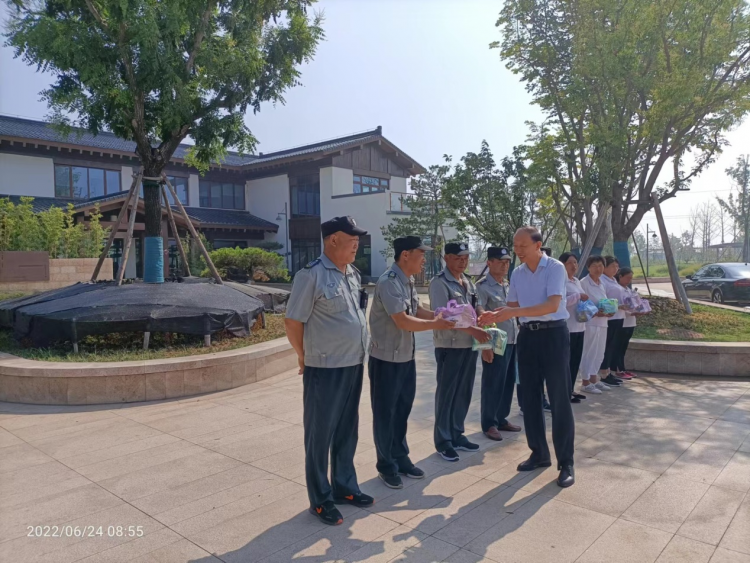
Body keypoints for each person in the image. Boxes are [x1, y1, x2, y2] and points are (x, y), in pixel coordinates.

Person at [285, 216, 374, 526]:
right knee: (319, 435)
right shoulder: (310, 276)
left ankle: (344, 487)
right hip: (324, 368)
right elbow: (293, 321)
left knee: (347, 430)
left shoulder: (352, 274)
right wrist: (303, 356)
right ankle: (321, 499)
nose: (357, 244)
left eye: (358, 239)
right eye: (352, 239)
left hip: (353, 363)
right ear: (333, 240)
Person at [479, 227, 575, 488]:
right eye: (515, 245)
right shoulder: (518, 273)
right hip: (527, 337)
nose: (518, 250)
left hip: (554, 335)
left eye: (522, 245)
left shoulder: (554, 268)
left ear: (538, 245)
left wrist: (513, 312)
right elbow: (512, 305)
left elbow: (552, 305)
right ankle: (539, 453)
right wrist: (494, 314)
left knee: (559, 398)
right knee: (529, 398)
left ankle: (566, 462)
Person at [369, 236, 456, 489]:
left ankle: (400, 457)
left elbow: (416, 311)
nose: (424, 260)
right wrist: (436, 324)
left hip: (406, 357)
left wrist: (441, 314)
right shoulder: (389, 282)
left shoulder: (406, 281)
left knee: (402, 411)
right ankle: (386, 465)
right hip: (386, 360)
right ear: (405, 255)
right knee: (385, 414)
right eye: (421, 254)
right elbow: (403, 320)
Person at [429, 241, 491, 462]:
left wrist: (483, 314)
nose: (462, 262)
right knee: (447, 394)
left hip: (468, 344)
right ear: (447, 258)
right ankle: (443, 441)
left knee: (463, 392)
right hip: (450, 345)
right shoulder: (439, 283)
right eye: (457, 258)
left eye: (465, 258)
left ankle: (457, 434)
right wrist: (473, 329)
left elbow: (476, 304)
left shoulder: (467, 282)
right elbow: (443, 315)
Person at [476, 247, 522, 441]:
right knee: (492, 382)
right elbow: (479, 315)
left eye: (507, 262)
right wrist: (485, 346)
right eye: (500, 261)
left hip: (512, 339)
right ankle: (489, 423)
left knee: (507, 381)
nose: (505, 265)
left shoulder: (507, 285)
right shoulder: (482, 286)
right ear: (489, 263)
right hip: (495, 340)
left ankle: (501, 418)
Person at [578, 256, 613, 394]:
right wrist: (596, 312)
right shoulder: (584, 283)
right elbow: (581, 304)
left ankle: (594, 378)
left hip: (603, 323)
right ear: (588, 268)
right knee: (588, 351)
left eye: (600, 265)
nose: (598, 269)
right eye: (594, 266)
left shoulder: (601, 283)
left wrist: (609, 310)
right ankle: (585, 381)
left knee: (599, 352)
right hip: (590, 323)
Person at [559, 252, 588, 403]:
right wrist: (577, 296)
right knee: (567, 362)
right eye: (570, 262)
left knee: (576, 360)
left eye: (575, 262)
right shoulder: (560, 281)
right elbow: (561, 303)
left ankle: (570, 388)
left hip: (580, 326)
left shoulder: (576, 281)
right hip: (568, 327)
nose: (573, 265)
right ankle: (564, 392)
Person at [599, 256, 631, 385]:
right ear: (605, 267)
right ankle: (603, 374)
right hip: (610, 318)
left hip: (619, 317)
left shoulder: (613, 280)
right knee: (606, 346)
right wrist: (619, 306)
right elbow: (603, 301)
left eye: (617, 266)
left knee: (613, 346)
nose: (615, 269)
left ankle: (608, 372)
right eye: (612, 266)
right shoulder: (602, 280)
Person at [612, 267, 641, 378]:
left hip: (631, 322)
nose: (629, 280)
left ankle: (623, 368)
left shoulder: (629, 290)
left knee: (623, 347)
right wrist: (630, 312)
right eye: (627, 277)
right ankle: (618, 369)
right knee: (618, 347)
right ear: (620, 276)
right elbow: (619, 306)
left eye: (631, 278)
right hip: (622, 321)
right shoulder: (617, 289)